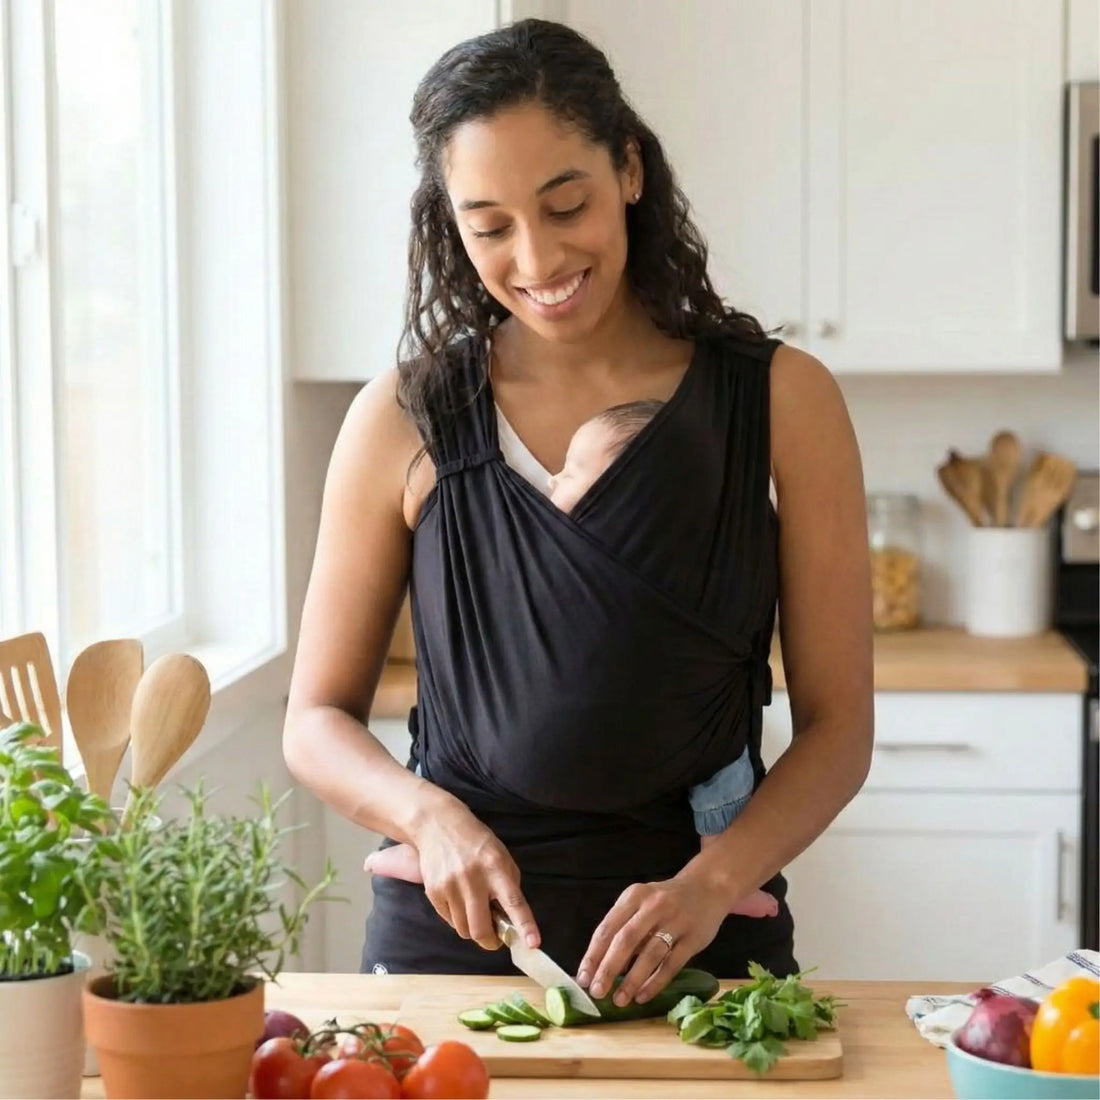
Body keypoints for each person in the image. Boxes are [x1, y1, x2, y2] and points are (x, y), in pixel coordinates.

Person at [283, 17, 873, 1007]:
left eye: (566, 204)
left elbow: (837, 728)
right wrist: (428, 818)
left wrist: (712, 880)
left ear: (628, 170)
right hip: (452, 940)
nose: (536, 257)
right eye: (489, 225)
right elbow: (313, 720)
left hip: (703, 934)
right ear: (450, 223)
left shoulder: (781, 399)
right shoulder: (400, 414)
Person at [365, 397, 778, 920]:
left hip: (685, 854)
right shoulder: (412, 421)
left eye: (570, 474)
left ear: (626, 505)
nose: (549, 484)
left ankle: (724, 863)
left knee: (726, 749)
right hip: (462, 825)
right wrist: (426, 820)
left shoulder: (684, 561)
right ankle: (418, 849)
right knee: (448, 726)